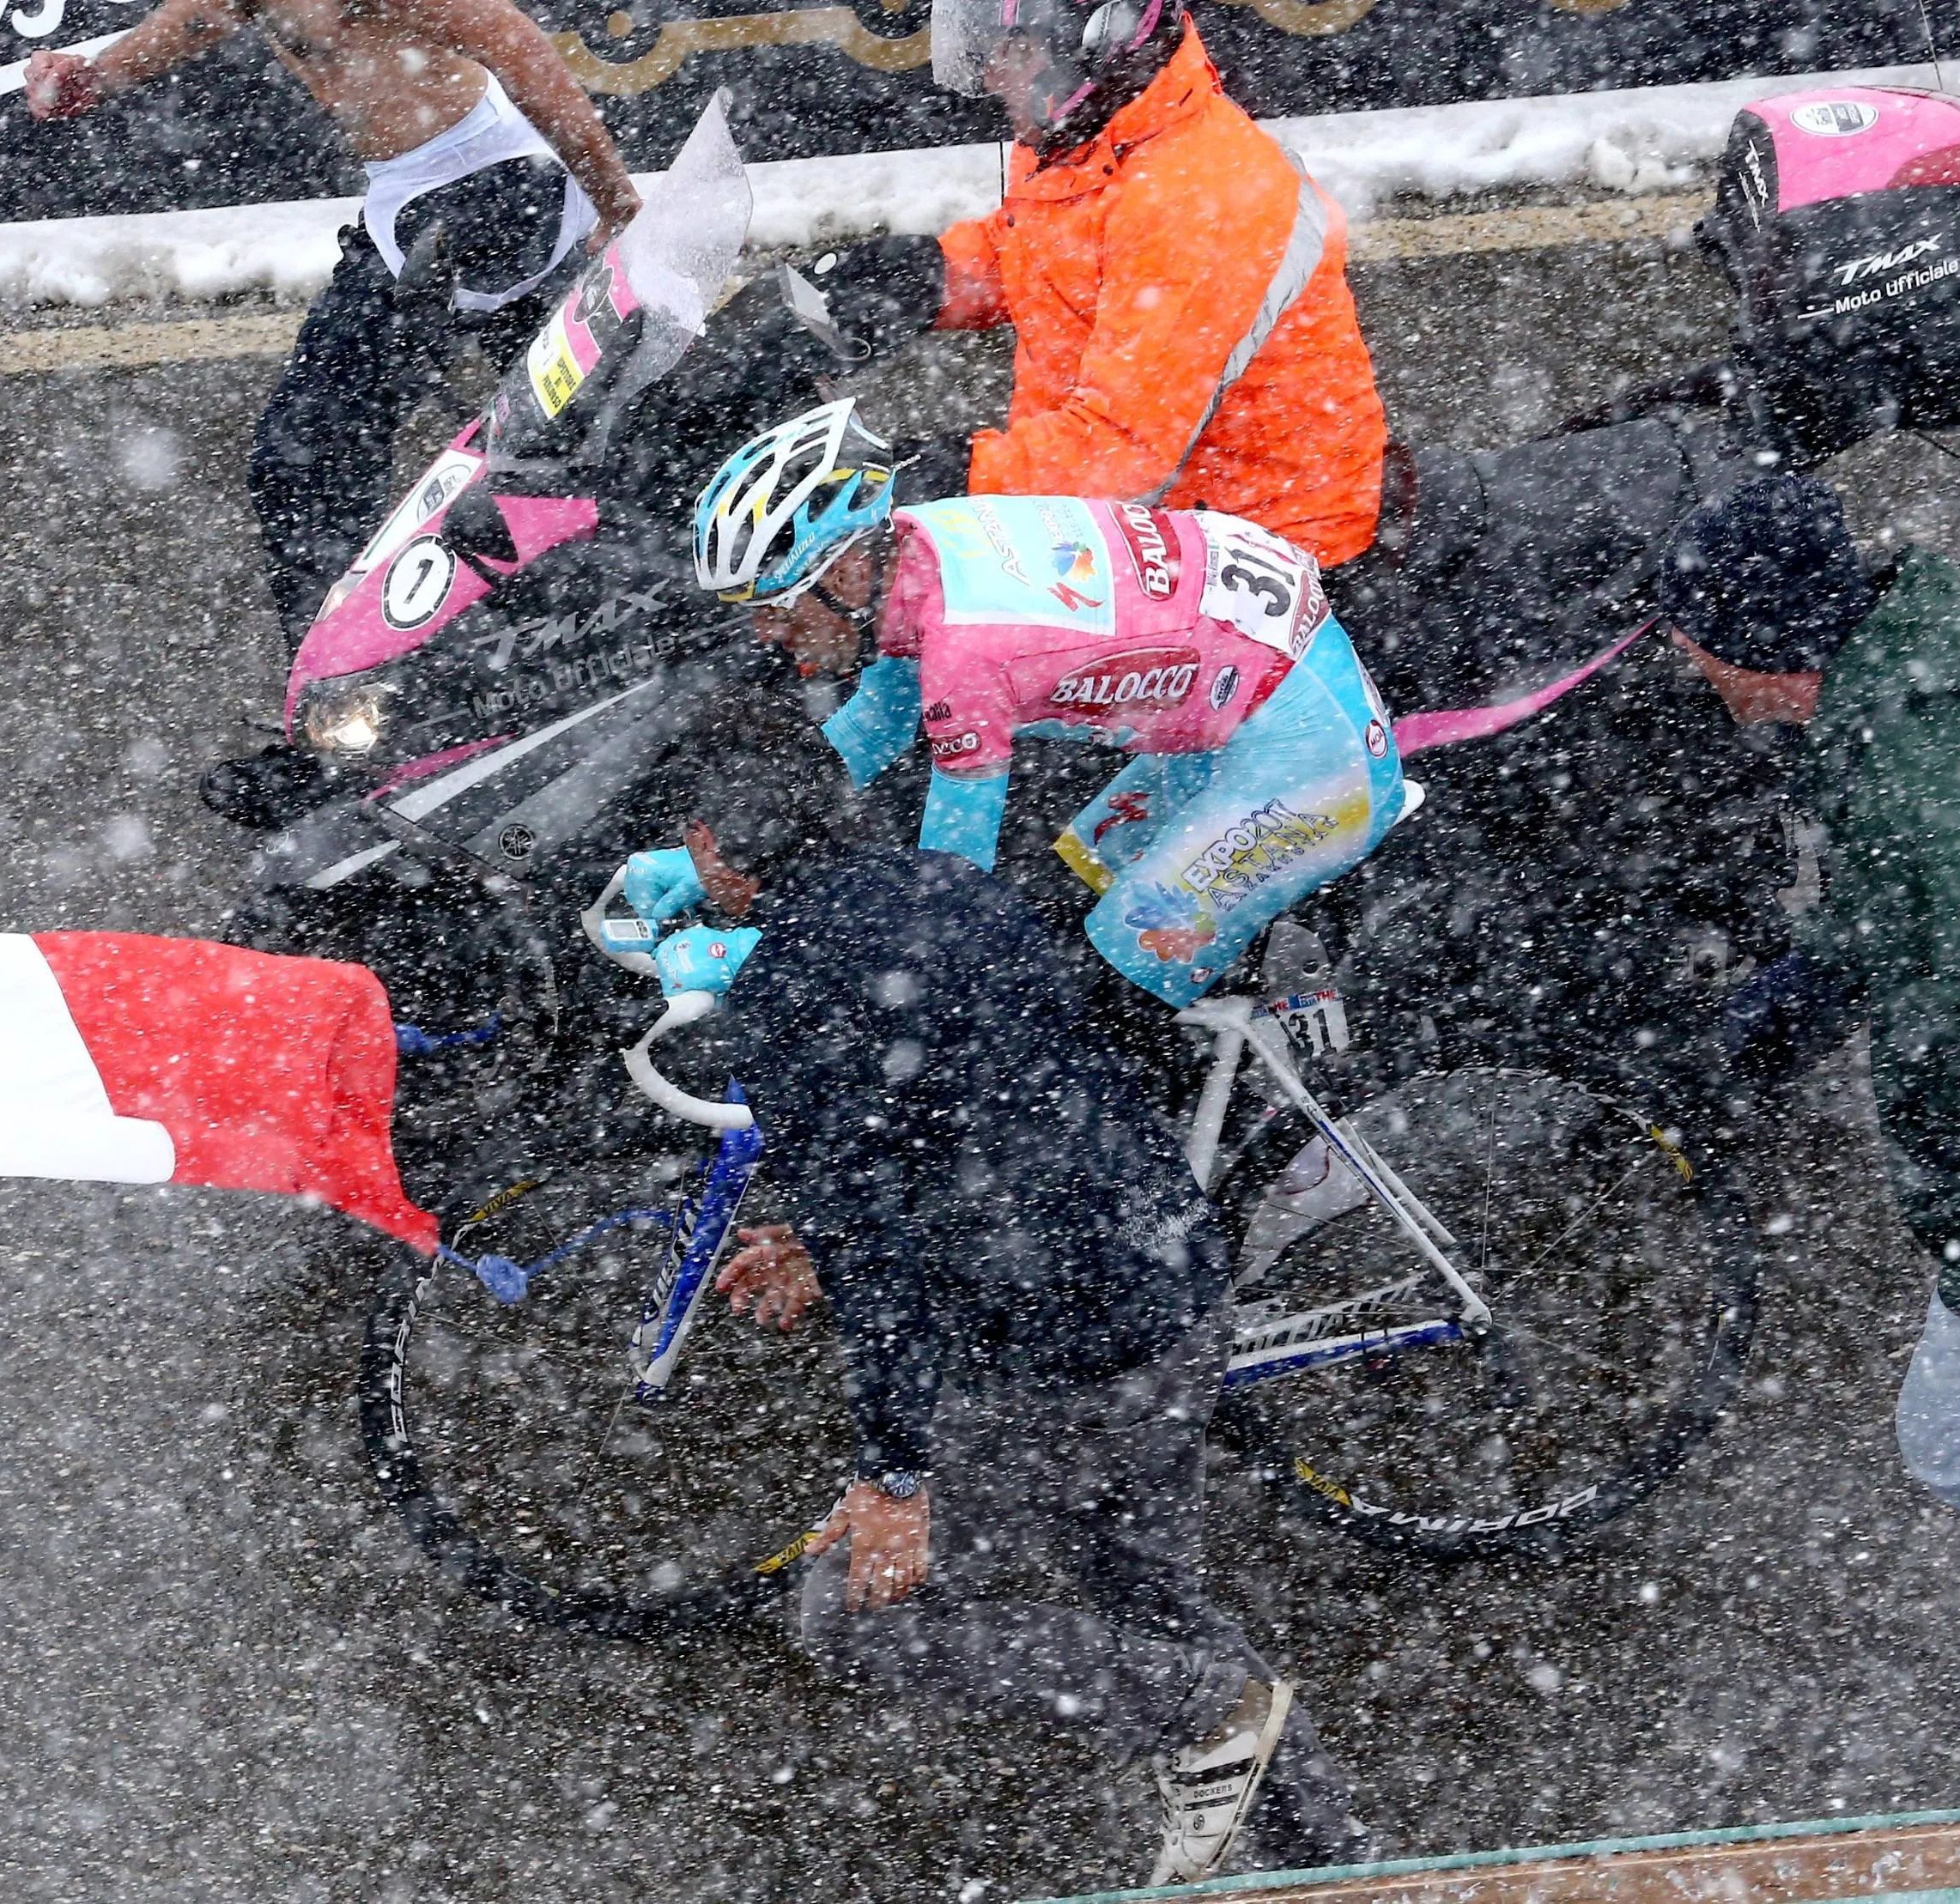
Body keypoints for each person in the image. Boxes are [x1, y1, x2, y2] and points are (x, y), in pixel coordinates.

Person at [705, 845, 1368, 1884]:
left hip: (1054, 1350)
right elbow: (984, 1100)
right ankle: (1332, 1862)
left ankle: (1210, 1716)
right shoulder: (943, 880)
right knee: (1146, 1601)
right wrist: (829, 1232)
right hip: (1169, 1283)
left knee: (851, 1614)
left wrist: (895, 1475)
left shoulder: (783, 993)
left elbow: (883, 1255)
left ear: (712, 849)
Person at [646, 400, 1405, 1011]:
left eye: (777, 607)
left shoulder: (969, 649)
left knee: (1108, 977)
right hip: (1250, 689)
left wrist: (766, 954)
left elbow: (950, 891)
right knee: (1074, 883)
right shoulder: (915, 549)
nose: (765, 634)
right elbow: (870, 732)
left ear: (843, 572)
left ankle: (1192, 1178)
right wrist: (725, 851)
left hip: (1306, 752)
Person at [1669, 477, 1960, 1537]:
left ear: (1762, 643)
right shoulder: (1900, 702)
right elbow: (1921, 897)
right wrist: (1808, 987)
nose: (1684, 655)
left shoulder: (1921, 771)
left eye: (1695, 633)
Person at [23, 0, 639, 652]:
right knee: (578, 430)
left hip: (486, 189)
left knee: (309, 458)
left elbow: (519, 48)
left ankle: (348, 690)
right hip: (432, 190)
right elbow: (199, 15)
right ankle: (591, 628)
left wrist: (618, 204)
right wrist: (100, 74)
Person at [917, 0, 1388, 568]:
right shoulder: (1091, 137)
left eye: (1014, 49)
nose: (993, 74)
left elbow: (1122, 453)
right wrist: (903, 284)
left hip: (1265, 561)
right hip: (1124, 535)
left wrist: (941, 478)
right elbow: (1044, 251)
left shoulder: (1195, 190)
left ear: (1100, 40)